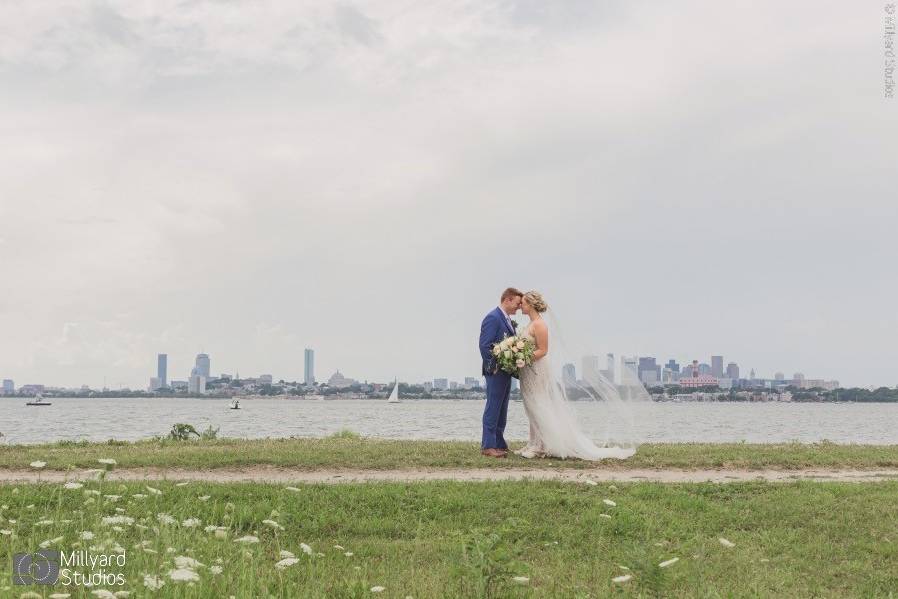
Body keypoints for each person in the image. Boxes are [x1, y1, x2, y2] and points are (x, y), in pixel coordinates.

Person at [478, 287, 522, 458]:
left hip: (506, 371)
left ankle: (499, 443)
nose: (519, 307)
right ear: (508, 299)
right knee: (493, 408)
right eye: (517, 304)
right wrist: (493, 366)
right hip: (495, 371)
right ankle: (488, 446)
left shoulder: (507, 320)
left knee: (502, 409)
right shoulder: (493, 317)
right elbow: (484, 345)